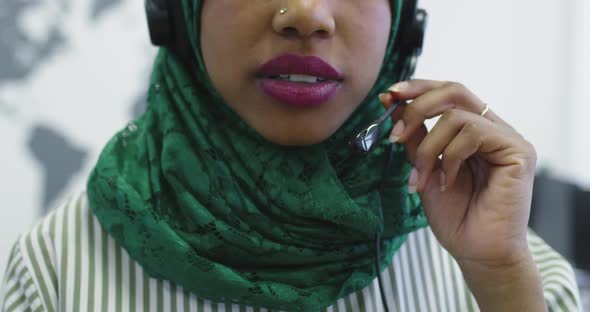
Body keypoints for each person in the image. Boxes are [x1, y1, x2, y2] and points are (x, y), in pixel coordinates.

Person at [0, 0, 581, 311]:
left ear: (406, 25)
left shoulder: (515, 272)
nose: (306, 14)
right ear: (177, 13)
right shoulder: (52, 273)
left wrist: (501, 282)